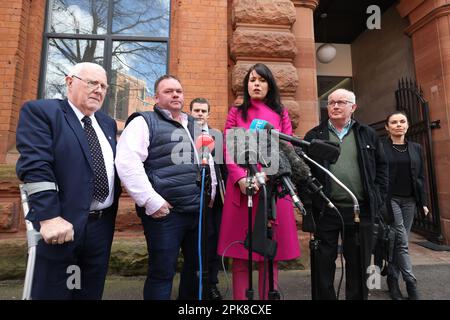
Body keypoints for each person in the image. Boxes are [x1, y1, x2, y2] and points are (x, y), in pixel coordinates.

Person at [16, 62, 121, 299]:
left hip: (101, 226)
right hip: (61, 222)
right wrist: (49, 217)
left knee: (89, 291)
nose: (99, 90)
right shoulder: (42, 112)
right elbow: (35, 166)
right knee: (54, 292)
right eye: (92, 83)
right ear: (69, 81)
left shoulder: (106, 123)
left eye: (104, 86)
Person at [116, 75, 205, 300]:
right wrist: (151, 201)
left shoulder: (194, 125)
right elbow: (127, 162)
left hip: (198, 212)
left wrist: (211, 193)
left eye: (179, 91)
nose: (175, 94)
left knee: (196, 271)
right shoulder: (143, 121)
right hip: (166, 214)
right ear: (156, 97)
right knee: (161, 273)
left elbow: (207, 161)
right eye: (168, 91)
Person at [217, 63, 300, 300]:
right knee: (241, 256)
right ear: (246, 84)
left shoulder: (280, 112)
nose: (256, 84)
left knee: (269, 256)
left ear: (269, 85)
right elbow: (228, 149)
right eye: (252, 80)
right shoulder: (236, 112)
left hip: (272, 191)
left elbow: (287, 147)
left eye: (262, 80)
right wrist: (240, 178)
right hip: (243, 191)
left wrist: (268, 177)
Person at [303, 88, 388, 300]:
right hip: (326, 210)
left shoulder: (367, 133)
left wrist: (376, 197)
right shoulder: (314, 136)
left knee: (359, 264)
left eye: (341, 102)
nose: (335, 106)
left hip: (361, 211)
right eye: (331, 102)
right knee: (322, 265)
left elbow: (382, 168)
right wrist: (310, 204)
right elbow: (304, 174)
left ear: (353, 107)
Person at [382, 111, 428, 300]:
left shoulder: (416, 148)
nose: (398, 125)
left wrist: (423, 202)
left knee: (398, 242)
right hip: (390, 199)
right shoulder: (381, 147)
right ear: (387, 127)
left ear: (408, 125)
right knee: (401, 241)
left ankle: (392, 280)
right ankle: (411, 283)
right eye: (394, 122)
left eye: (402, 121)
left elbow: (420, 177)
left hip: (410, 200)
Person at [189, 97, 227, 300]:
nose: (200, 114)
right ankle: (195, 287)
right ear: (190, 112)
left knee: (213, 246)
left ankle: (211, 284)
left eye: (204, 111)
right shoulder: (185, 136)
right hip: (196, 203)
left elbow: (222, 168)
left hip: (216, 202)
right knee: (196, 247)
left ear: (209, 114)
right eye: (196, 110)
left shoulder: (216, 136)